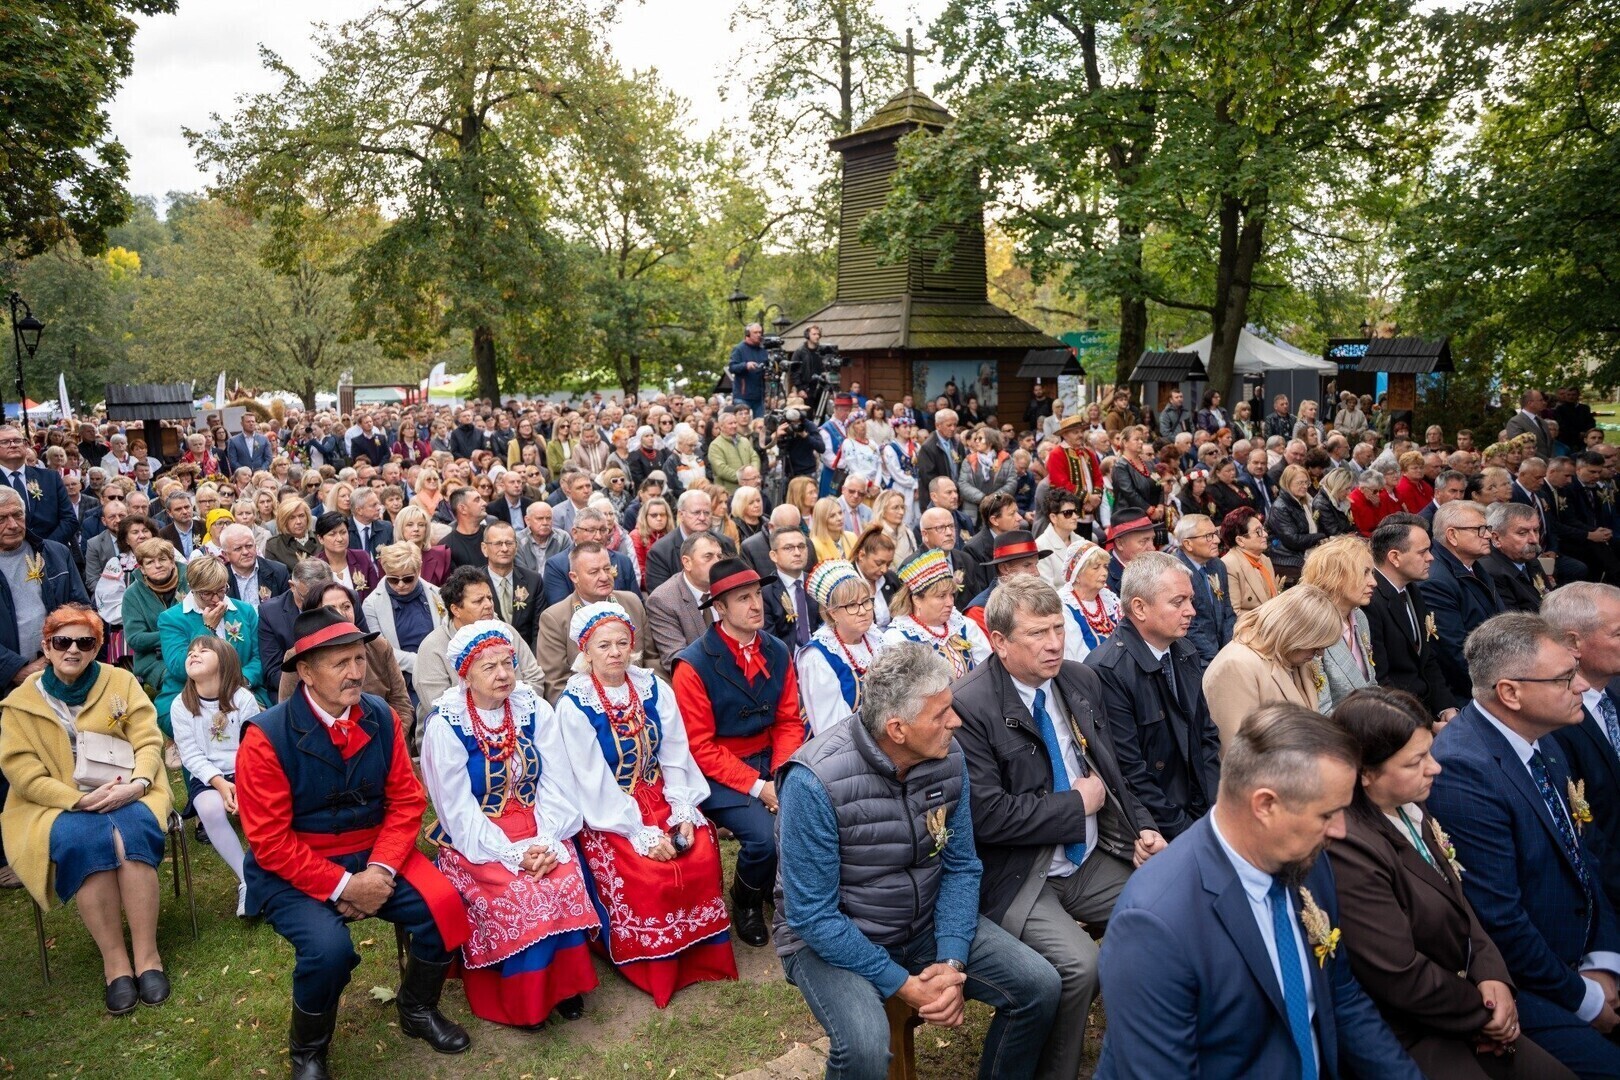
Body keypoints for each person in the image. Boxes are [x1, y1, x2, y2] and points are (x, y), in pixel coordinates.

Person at [774, 642, 1062, 1080]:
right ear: (898, 729)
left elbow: (962, 865)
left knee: (1039, 987)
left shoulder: (948, 757)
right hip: (833, 941)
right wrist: (904, 984)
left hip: (924, 922)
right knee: (865, 1049)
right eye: (941, 714)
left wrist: (950, 963)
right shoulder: (814, 783)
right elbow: (811, 915)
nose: (957, 721)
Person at [1095, 702, 1423, 1078]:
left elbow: (1340, 996)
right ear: (1265, 804)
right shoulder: (1156, 924)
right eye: (1326, 814)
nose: (1340, 832)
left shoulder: (1309, 862)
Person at [237, 606, 473, 1076]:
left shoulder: (381, 715)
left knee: (444, 903)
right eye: (340, 663)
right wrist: (344, 887)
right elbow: (269, 842)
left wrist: (380, 870)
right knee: (329, 952)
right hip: (294, 869)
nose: (355, 672)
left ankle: (417, 1008)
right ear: (305, 671)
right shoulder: (265, 737)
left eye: (359, 659)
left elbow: (407, 801)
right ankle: (308, 1051)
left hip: (375, 854)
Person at [951, 575, 1165, 1076]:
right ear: (999, 642)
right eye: (1037, 634)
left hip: (1088, 857)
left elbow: (1113, 773)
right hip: (1021, 876)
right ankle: (1058, 1072)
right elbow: (986, 816)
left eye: (1057, 628)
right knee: (1079, 967)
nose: (1053, 643)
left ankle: (1148, 1047)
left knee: (1168, 905)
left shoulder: (1077, 680)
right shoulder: (970, 705)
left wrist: (1142, 830)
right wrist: (1075, 805)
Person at [1328, 685, 1574, 1078]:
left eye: (1428, 752)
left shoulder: (1410, 806)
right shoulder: (1349, 848)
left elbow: (1459, 901)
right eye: (1415, 762)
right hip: (1416, 1030)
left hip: (1469, 994)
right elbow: (1398, 971)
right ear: (1365, 774)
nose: (1435, 767)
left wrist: (1494, 975)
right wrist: (1484, 1014)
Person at [1427, 613, 1620, 1078]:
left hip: (1582, 958)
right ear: (1510, 692)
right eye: (1564, 678)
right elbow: (1500, 918)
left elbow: (1585, 860)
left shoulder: (1543, 740)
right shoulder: (1463, 770)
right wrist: (1584, 996)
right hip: (1527, 984)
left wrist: (1605, 961)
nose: (1579, 688)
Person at [554, 603, 739, 1006]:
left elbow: (675, 753)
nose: (615, 652)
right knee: (649, 871)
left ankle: (701, 955)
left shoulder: (654, 687)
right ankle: (654, 964)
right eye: (604, 645)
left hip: (659, 792)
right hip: (612, 809)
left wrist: (683, 809)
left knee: (699, 849)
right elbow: (591, 781)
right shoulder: (574, 705)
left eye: (623, 642)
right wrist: (639, 832)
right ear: (585, 651)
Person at [418, 619, 599, 1028]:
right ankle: (526, 997)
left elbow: (557, 780)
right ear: (464, 674)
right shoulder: (446, 725)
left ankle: (564, 985)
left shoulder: (532, 708)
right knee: (524, 893)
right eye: (489, 667)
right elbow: (456, 809)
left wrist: (547, 839)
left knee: (564, 877)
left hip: (539, 824)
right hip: (479, 838)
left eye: (508, 663)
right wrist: (514, 853)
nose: (503, 674)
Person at [0, 605, 174, 1014]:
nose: (73, 650)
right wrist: (74, 800)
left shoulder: (121, 681)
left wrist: (138, 783)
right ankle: (115, 963)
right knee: (84, 841)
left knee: (125, 835)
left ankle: (147, 957)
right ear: (46, 646)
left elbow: (149, 741)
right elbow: (22, 772)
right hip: (56, 802)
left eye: (85, 642)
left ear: (97, 647)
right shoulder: (20, 703)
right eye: (62, 642)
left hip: (129, 788)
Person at [670, 557, 806, 948]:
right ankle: (745, 900)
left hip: (771, 758)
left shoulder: (777, 649)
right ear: (720, 608)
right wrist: (758, 787)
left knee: (803, 817)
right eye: (742, 598)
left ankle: (773, 888)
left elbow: (788, 721)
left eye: (757, 595)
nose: (756, 605)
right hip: (716, 771)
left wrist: (780, 774)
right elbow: (700, 745)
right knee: (764, 838)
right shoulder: (693, 664)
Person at [1087, 551, 1221, 840]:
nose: (1191, 611)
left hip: (1200, 812)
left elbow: (1206, 739)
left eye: (1191, 600)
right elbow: (1130, 773)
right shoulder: (1107, 671)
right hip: (1159, 827)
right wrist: (1187, 833)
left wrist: (1214, 811)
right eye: (1178, 602)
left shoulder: (1184, 652)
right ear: (1140, 608)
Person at [170, 635, 260, 916]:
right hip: (209, 775)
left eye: (203, 650)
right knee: (208, 808)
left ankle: (271, 870)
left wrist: (241, 784)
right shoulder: (180, 705)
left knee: (259, 806)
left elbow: (254, 746)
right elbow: (191, 755)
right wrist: (220, 784)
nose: (194, 654)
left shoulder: (243, 699)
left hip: (247, 768)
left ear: (225, 661)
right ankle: (246, 877)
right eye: (191, 651)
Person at [1545, 584, 1620, 915]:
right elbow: (1582, 833)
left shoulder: (1610, 694)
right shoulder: (1554, 723)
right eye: (1618, 633)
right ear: (1574, 642)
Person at [1202, 584, 1343, 744]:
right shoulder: (1236, 666)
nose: (1320, 653)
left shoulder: (1294, 658)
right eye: (1316, 645)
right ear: (1295, 633)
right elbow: (1236, 753)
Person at [413, 567, 546, 722]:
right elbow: (438, 705)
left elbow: (534, 676)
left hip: (517, 723)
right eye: (478, 601)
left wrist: (517, 715)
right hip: (458, 734)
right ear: (455, 609)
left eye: (489, 598)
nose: (488, 605)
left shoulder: (506, 632)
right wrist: (490, 722)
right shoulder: (433, 647)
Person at [154, 554, 265, 731]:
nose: (216, 599)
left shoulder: (244, 611)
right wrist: (207, 628)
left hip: (241, 688)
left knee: (257, 728)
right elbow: (178, 668)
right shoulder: (172, 618)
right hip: (190, 692)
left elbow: (259, 658)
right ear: (192, 588)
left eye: (221, 590)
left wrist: (239, 680)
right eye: (207, 593)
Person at [281, 582, 414, 729]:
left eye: (346, 606)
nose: (342, 614)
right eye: (331, 609)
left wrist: (390, 739)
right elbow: (288, 710)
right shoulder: (298, 656)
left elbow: (401, 702)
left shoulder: (378, 647)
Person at [1366, 516, 1462, 720]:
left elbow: (1428, 660)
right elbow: (1382, 681)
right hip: (1401, 718)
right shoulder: (1371, 602)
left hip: (1426, 709)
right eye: (1422, 552)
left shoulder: (1413, 590)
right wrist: (1426, 725)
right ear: (1395, 557)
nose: (1431, 558)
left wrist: (1446, 708)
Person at [534, 542, 650, 703]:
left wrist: (655, 698)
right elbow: (556, 682)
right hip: (587, 711)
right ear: (574, 577)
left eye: (607, 569)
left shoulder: (632, 602)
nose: (604, 577)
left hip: (641, 700)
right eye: (594, 572)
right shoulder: (555, 618)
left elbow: (651, 659)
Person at [1418, 500, 1507, 703]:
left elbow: (1501, 620)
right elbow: (1455, 653)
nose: (1487, 535)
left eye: (1487, 528)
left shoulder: (1473, 566)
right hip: (1471, 691)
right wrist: (1498, 688)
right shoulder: (1436, 581)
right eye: (1479, 529)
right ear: (1452, 535)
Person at [796, 560, 886, 737]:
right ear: (832, 612)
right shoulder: (817, 657)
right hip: (844, 749)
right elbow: (832, 730)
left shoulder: (876, 639)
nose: (863, 611)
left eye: (866, 601)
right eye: (852, 605)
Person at [362, 541, 447, 704]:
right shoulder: (371, 604)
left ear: (419, 571)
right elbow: (379, 648)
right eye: (393, 580)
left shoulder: (437, 594)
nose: (401, 585)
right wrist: (421, 661)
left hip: (439, 672)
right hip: (401, 681)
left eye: (408, 579)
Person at [882, 549, 991, 677]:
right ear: (917, 600)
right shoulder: (897, 639)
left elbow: (986, 671)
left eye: (951, 595)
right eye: (941, 596)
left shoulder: (963, 625)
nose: (950, 602)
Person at [1302, 535, 1379, 712]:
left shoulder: (1359, 616)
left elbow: (1371, 684)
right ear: (1336, 577)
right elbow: (1323, 711)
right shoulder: (1312, 628)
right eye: (1364, 573)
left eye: (1372, 573)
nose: (1374, 582)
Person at [123, 537, 188, 699]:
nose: (157, 565)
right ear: (142, 569)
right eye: (150, 562)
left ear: (172, 562)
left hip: (192, 651)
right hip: (154, 660)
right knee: (180, 684)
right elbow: (135, 638)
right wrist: (172, 634)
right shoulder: (132, 594)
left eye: (162, 559)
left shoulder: (190, 581)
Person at [1172, 513, 1235, 669]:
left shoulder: (1217, 565)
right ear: (1188, 544)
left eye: (1215, 534)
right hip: (1193, 658)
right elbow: (1188, 625)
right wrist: (1217, 658)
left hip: (1223, 652)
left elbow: (1228, 611)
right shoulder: (1175, 571)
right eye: (1208, 536)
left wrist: (1229, 650)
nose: (1217, 540)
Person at [1480, 500, 1553, 612]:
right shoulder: (1491, 572)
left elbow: (1549, 598)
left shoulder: (1529, 559)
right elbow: (1513, 624)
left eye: (1536, 530)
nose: (1534, 539)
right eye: (1522, 533)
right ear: (1496, 538)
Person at [1058, 543, 1119, 662]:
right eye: (1096, 567)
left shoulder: (1108, 599)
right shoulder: (1064, 606)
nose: (1104, 573)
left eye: (1105, 566)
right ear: (1078, 574)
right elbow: (1077, 657)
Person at [761, 526, 817, 649]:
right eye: (788, 548)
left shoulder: (817, 582)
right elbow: (768, 641)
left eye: (801, 546)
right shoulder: (765, 593)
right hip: (786, 659)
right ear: (773, 555)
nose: (797, 553)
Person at [1221, 507, 1278, 614]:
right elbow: (1234, 614)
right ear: (1240, 541)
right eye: (1258, 531)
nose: (1265, 534)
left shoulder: (1264, 559)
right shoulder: (1229, 565)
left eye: (1263, 529)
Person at [265, 496, 318, 570]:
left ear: (308, 517)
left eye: (301, 516)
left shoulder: (320, 539)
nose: (298, 522)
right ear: (284, 521)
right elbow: (274, 577)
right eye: (292, 518)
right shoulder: (274, 545)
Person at [727, 323, 768, 418]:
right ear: (747, 334)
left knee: (759, 424)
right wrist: (745, 365)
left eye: (760, 332)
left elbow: (766, 366)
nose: (759, 335)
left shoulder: (763, 350)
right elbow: (732, 367)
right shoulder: (739, 349)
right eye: (755, 332)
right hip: (743, 396)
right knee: (743, 423)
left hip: (759, 396)